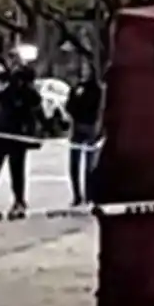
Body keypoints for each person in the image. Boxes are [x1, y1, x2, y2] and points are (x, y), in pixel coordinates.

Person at [0, 64, 47, 213]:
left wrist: (40, 131)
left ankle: (17, 200)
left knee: (14, 171)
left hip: (13, 136)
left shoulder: (27, 93)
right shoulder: (8, 91)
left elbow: (37, 109)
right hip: (1, 135)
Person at [66, 69, 102, 206]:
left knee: (89, 165)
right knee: (74, 164)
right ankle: (77, 195)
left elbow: (95, 107)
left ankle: (89, 195)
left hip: (90, 127)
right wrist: (75, 96)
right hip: (77, 127)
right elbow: (69, 107)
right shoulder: (76, 88)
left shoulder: (96, 89)